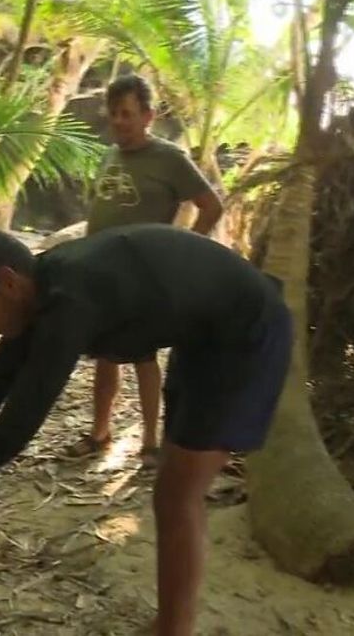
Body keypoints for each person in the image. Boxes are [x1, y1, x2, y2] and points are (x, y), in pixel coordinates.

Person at [0, 224, 291, 636]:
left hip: (246, 334)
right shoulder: (44, 287)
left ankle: (173, 630)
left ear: (8, 281)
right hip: (202, 338)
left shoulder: (70, 301)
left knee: (177, 494)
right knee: (174, 489)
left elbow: (14, 430)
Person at [69, 73, 225, 467]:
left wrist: (183, 251)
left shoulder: (169, 158)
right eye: (113, 114)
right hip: (101, 275)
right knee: (104, 355)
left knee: (143, 356)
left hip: (146, 276)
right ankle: (99, 433)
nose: (118, 122)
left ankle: (151, 443)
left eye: (126, 114)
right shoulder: (110, 155)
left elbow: (211, 205)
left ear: (148, 116)